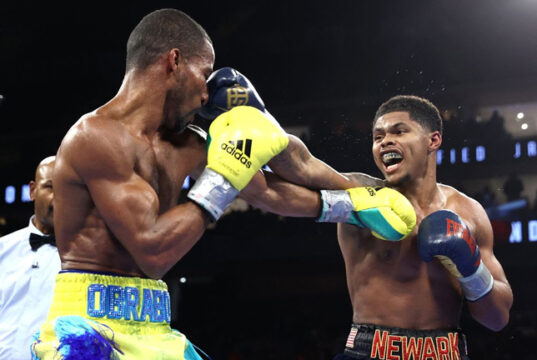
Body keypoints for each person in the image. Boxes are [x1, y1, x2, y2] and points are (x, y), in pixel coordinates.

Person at [31, 9, 415, 360]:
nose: (206, 91)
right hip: (89, 329)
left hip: (156, 328)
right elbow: (153, 249)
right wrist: (222, 175)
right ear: (174, 61)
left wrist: (357, 203)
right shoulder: (94, 137)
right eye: (204, 73)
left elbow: (269, 185)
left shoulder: (186, 142)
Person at [332, 95, 513, 359]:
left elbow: (497, 318)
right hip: (370, 351)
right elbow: (301, 173)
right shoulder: (360, 196)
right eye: (378, 136)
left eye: (399, 131)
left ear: (433, 140)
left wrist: (471, 268)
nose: (385, 141)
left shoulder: (468, 212)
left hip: (445, 352)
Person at [0, 156, 60, 360]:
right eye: (50, 187)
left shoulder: (85, 257)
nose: (59, 197)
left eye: (67, 190)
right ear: (33, 191)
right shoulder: (2, 249)